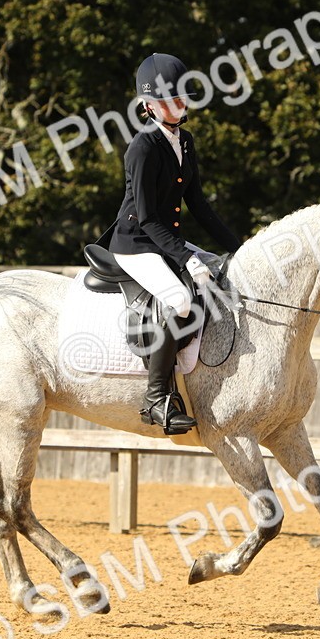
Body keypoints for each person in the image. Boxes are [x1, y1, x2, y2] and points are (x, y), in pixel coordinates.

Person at [107, 53, 242, 434]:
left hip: (166, 240)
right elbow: (148, 218)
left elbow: (198, 204)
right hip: (135, 242)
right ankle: (155, 400)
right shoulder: (143, 148)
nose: (179, 104)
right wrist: (186, 258)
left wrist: (238, 247)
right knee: (180, 300)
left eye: (181, 96)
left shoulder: (185, 140)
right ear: (149, 106)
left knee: (223, 273)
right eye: (168, 100)